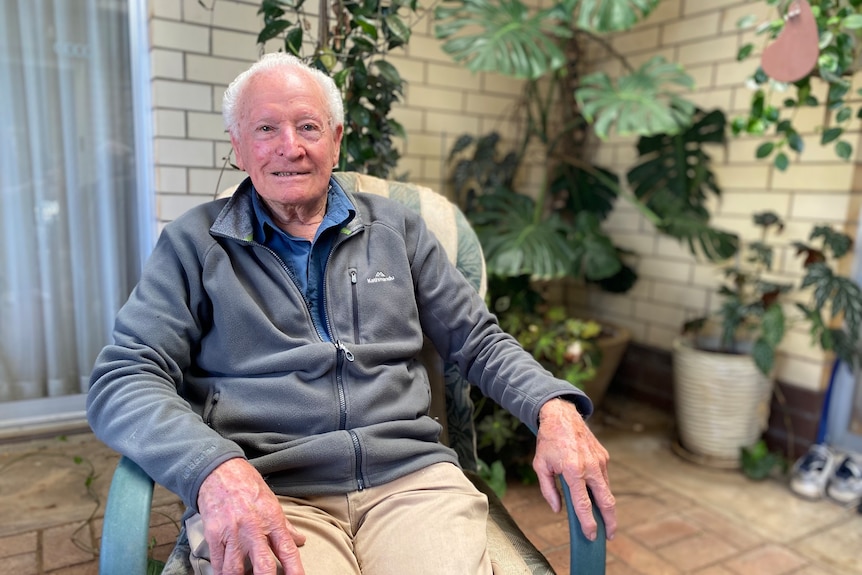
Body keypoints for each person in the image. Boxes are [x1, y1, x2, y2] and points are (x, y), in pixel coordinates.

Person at [87, 52, 616, 575]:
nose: (289, 147)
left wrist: (553, 407)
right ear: (239, 148)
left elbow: (476, 339)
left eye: (308, 126)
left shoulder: (398, 230)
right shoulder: (193, 244)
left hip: (411, 481)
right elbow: (124, 377)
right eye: (266, 128)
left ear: (336, 140)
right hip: (271, 487)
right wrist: (214, 469)